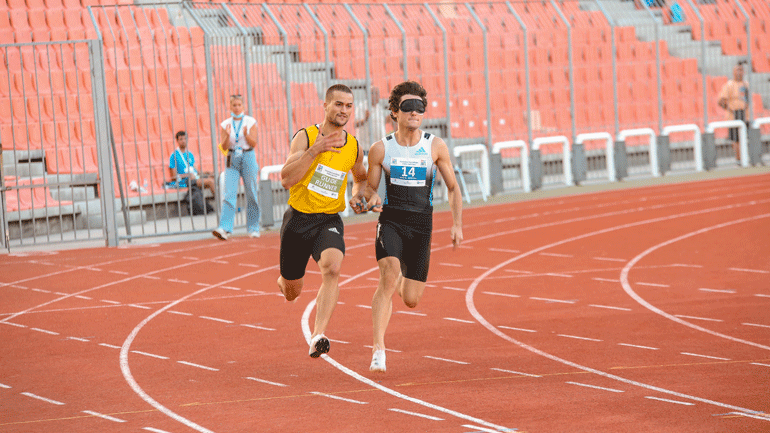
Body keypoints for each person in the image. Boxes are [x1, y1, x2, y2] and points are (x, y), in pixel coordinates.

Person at [363, 81, 463, 372]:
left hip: (421, 227)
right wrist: (371, 199)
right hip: (391, 222)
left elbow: (453, 188)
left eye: (420, 107)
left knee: (411, 299)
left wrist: (457, 224)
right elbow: (369, 189)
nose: (415, 112)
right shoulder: (381, 149)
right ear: (394, 112)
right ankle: (378, 349)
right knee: (388, 276)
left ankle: (400, 279)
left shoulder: (435, 146)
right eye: (408, 107)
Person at [276, 84, 368, 358]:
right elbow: (286, 179)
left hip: (328, 219)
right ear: (325, 106)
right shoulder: (305, 137)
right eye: (338, 104)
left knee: (332, 268)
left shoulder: (353, 146)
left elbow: (361, 178)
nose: (344, 110)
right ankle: (283, 281)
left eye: (349, 106)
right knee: (292, 292)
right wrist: (315, 150)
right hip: (298, 220)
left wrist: (357, 195)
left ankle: (318, 335)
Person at [212, 94, 261, 240]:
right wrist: (227, 135)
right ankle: (225, 228)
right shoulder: (225, 124)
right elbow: (224, 146)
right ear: (230, 106)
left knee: (251, 191)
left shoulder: (250, 122)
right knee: (229, 193)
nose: (237, 108)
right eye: (234, 105)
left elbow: (253, 143)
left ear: (243, 106)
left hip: (248, 156)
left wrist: (246, 134)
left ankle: (253, 227)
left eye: (239, 105)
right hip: (232, 157)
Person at [166, 130, 216, 197]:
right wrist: (188, 175)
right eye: (181, 139)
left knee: (215, 177)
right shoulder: (174, 155)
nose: (183, 141)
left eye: (185, 138)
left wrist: (207, 173)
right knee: (210, 182)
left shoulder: (190, 154)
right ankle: (220, 201)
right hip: (185, 181)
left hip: (195, 178)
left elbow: (196, 171)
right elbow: (174, 177)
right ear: (177, 141)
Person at [717, 63, 750, 163]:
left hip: (745, 115)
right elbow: (721, 100)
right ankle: (739, 159)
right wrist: (730, 109)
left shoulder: (746, 84)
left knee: (745, 137)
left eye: (741, 70)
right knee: (735, 139)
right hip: (733, 115)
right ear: (733, 72)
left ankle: (745, 157)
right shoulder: (729, 85)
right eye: (737, 70)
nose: (739, 72)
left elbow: (748, 98)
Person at [354, 86, 391, 153]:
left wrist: (390, 117)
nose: (375, 96)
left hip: (378, 147)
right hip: (365, 148)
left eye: (377, 93)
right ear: (367, 95)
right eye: (373, 93)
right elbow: (355, 124)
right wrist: (365, 119)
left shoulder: (379, 107)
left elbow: (381, 122)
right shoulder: (362, 106)